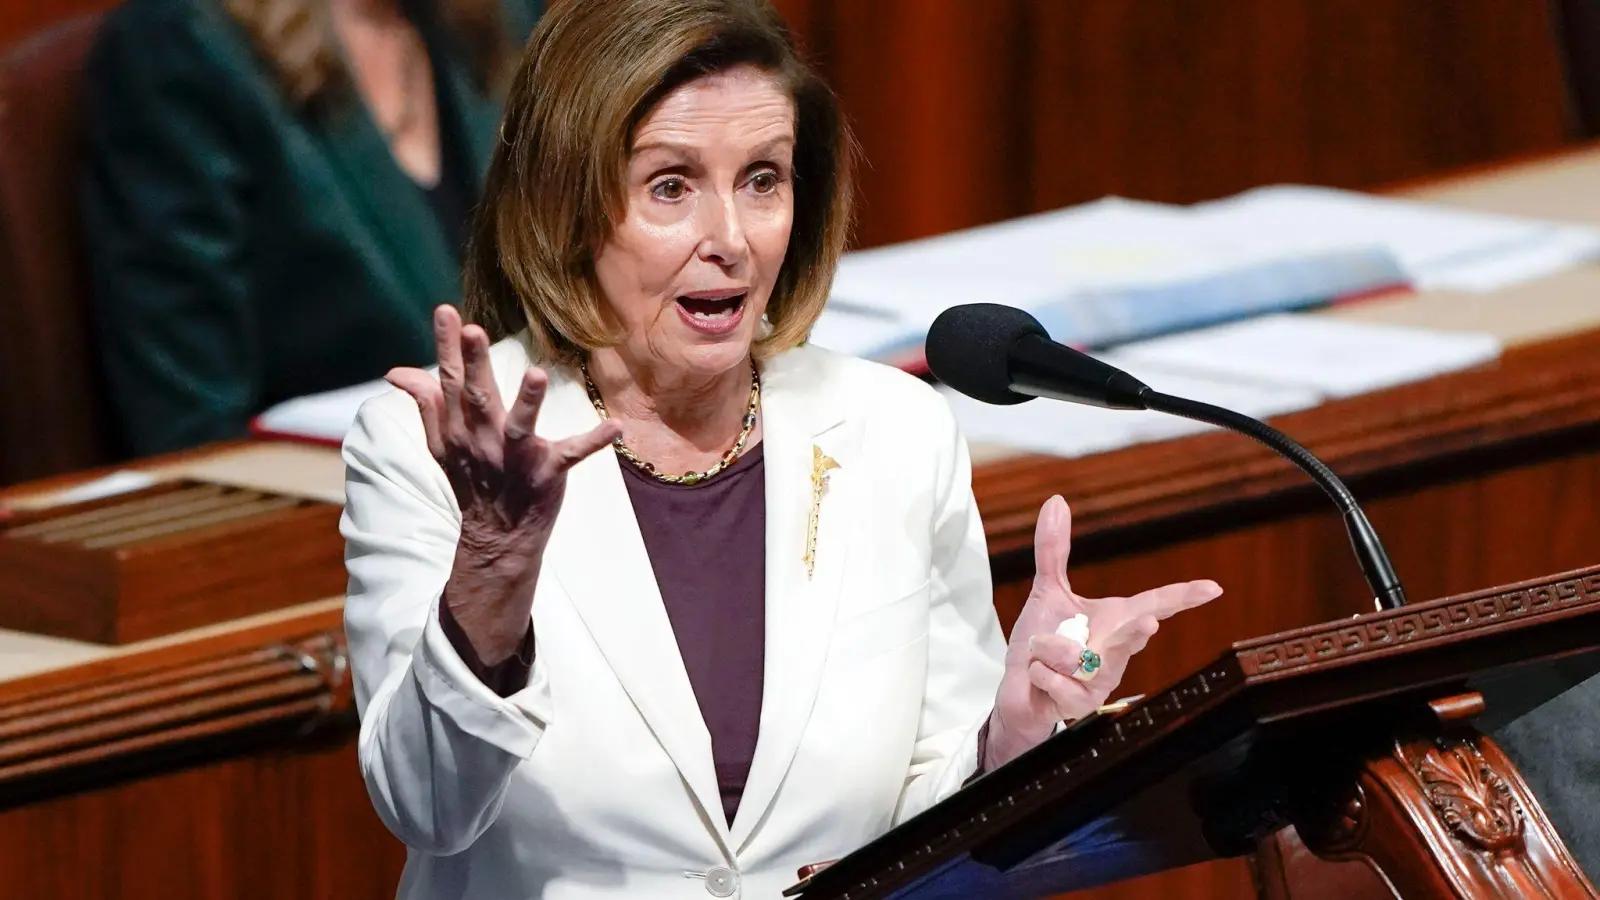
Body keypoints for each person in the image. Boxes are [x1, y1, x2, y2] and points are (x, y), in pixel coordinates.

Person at [340, 0, 1224, 896]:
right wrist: (492, 567)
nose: (729, 238)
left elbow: (929, 817)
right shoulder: (429, 447)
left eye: (763, 179)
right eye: (671, 186)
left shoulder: (893, 431)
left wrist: (1013, 736)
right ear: (564, 203)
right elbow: (426, 807)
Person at [79, 0, 542, 456]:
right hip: (331, 505)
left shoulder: (505, 16)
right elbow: (192, 426)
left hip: (542, 478)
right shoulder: (180, 45)